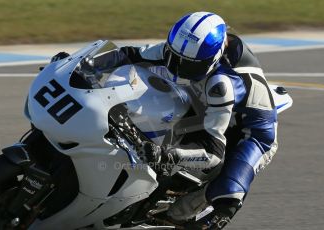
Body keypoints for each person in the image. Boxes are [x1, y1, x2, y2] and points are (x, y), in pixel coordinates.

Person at [119, 12, 278, 229]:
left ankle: (190, 218)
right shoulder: (186, 50)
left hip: (251, 131)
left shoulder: (222, 83)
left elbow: (213, 155)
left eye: (189, 65)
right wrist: (83, 64)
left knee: (229, 190)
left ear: (212, 59)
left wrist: (167, 155)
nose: (177, 68)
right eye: (173, 57)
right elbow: (131, 54)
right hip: (207, 103)